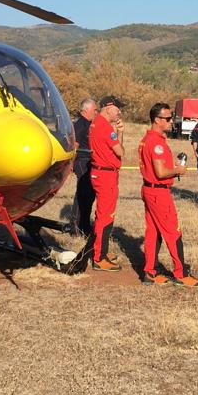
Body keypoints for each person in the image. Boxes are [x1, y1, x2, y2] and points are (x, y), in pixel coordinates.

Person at [138, 103, 198, 286]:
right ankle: (181, 274)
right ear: (157, 120)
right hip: (158, 192)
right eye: (167, 118)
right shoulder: (156, 143)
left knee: (153, 232)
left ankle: (150, 272)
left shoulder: (148, 139)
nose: (171, 121)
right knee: (173, 232)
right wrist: (177, 170)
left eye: (171, 118)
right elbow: (160, 172)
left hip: (150, 189)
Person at [88, 95, 126, 271]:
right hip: (106, 176)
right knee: (106, 217)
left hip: (101, 173)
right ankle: (99, 257)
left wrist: (118, 132)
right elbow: (120, 152)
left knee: (102, 215)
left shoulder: (96, 124)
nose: (119, 112)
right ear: (109, 108)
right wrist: (120, 133)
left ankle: (100, 250)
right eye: (118, 108)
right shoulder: (105, 127)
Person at [68, 98, 98, 237]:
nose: (96, 112)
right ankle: (74, 227)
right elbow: (75, 145)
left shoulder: (90, 124)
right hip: (81, 161)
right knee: (82, 193)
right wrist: (71, 164)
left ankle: (84, 226)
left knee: (89, 195)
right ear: (86, 110)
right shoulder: (80, 124)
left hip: (89, 161)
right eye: (94, 110)